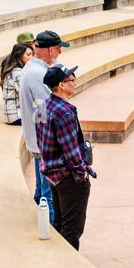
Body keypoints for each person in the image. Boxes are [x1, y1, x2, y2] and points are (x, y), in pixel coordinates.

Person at [35, 65, 95, 250]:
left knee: (60, 223)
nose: (74, 82)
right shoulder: (65, 112)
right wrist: (81, 174)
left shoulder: (43, 106)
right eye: (71, 79)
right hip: (69, 178)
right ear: (61, 85)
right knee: (72, 228)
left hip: (53, 176)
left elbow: (42, 143)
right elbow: (71, 153)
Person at [19, 30, 70, 219]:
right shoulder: (37, 74)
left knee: (41, 189)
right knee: (48, 195)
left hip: (37, 139)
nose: (60, 52)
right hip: (43, 142)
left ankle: (40, 219)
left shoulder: (32, 68)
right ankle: (49, 228)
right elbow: (46, 110)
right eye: (58, 48)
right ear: (50, 50)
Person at [0, 42, 33, 125]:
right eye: (28, 55)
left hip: (17, 114)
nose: (31, 57)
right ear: (20, 56)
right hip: (16, 116)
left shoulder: (18, 70)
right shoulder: (17, 73)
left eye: (32, 54)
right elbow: (27, 95)